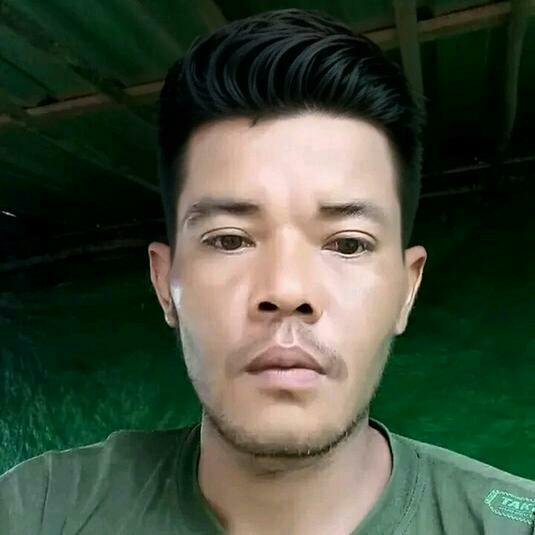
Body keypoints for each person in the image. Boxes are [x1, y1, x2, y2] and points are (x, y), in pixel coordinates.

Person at [1, 7, 533, 535]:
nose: (286, 289)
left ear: (407, 290)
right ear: (165, 284)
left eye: (348, 244)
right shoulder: (39, 510)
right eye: (230, 239)